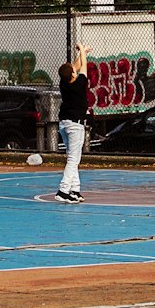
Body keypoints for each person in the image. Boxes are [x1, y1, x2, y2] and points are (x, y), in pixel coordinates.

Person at [55, 43, 89, 203]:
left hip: (64, 124)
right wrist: (82, 50)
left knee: (73, 156)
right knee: (73, 159)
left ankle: (75, 189)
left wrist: (82, 53)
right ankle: (63, 190)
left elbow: (75, 66)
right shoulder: (80, 83)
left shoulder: (64, 83)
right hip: (75, 125)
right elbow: (83, 67)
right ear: (73, 74)